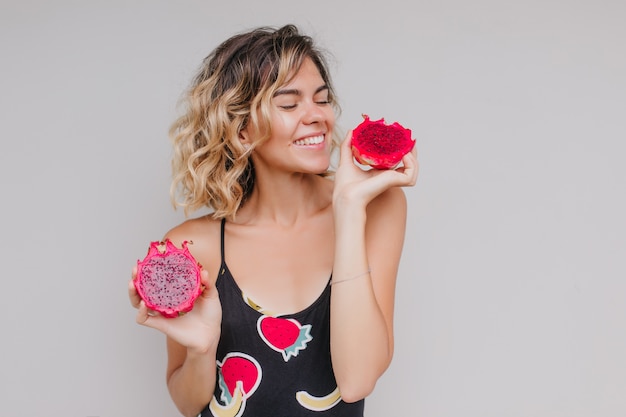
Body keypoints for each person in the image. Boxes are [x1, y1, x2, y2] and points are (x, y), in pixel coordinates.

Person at [128, 24, 418, 417]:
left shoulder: (377, 208)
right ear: (242, 130)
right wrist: (201, 350)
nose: (316, 116)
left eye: (322, 99)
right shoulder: (196, 246)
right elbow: (187, 401)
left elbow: (357, 380)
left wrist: (349, 209)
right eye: (289, 104)